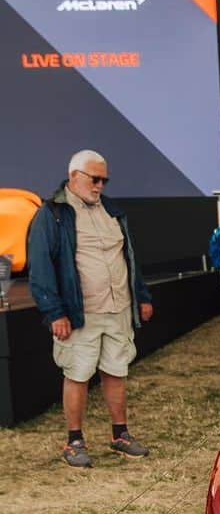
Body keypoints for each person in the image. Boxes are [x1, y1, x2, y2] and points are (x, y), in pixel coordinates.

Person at [27, 149, 153, 467]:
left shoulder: (112, 210)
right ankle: (74, 442)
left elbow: (130, 259)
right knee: (78, 374)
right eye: (94, 179)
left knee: (116, 371)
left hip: (119, 309)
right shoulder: (53, 213)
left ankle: (120, 436)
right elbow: (40, 267)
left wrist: (142, 296)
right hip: (80, 313)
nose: (99, 185)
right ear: (74, 177)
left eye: (103, 180)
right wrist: (55, 312)